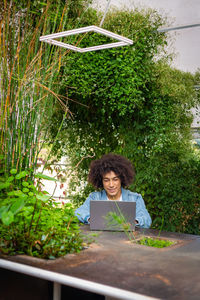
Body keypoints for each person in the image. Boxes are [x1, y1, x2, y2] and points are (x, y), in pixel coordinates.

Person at [75, 153, 152, 228]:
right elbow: (78, 212)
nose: (111, 185)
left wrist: (134, 222)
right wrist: (91, 219)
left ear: (121, 179)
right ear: (101, 181)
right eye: (106, 180)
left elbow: (146, 220)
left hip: (127, 239)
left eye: (115, 179)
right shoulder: (95, 197)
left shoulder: (135, 198)